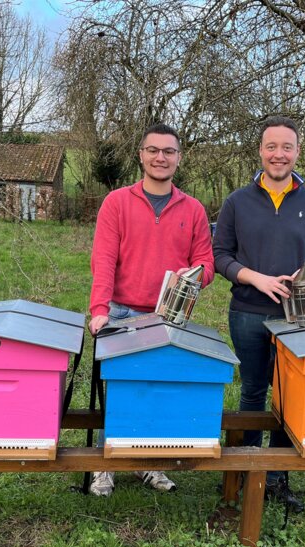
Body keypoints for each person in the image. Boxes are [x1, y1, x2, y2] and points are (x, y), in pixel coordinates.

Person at [212, 116, 305, 513]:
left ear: (298, 152)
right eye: (272, 146)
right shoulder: (237, 201)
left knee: (289, 397)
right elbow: (220, 256)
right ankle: (247, 467)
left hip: (296, 318)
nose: (278, 154)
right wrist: (256, 278)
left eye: (286, 147)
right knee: (253, 391)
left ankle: (277, 477)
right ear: (260, 151)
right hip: (248, 313)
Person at [88, 123, 215, 496]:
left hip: (168, 318)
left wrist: (191, 276)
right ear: (141, 155)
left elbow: (206, 263)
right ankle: (105, 467)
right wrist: (100, 310)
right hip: (122, 312)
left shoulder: (192, 209)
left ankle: (150, 463)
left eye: (169, 151)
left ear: (179, 157)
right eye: (153, 150)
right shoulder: (117, 202)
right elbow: (104, 258)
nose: (161, 157)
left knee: (157, 390)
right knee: (117, 391)